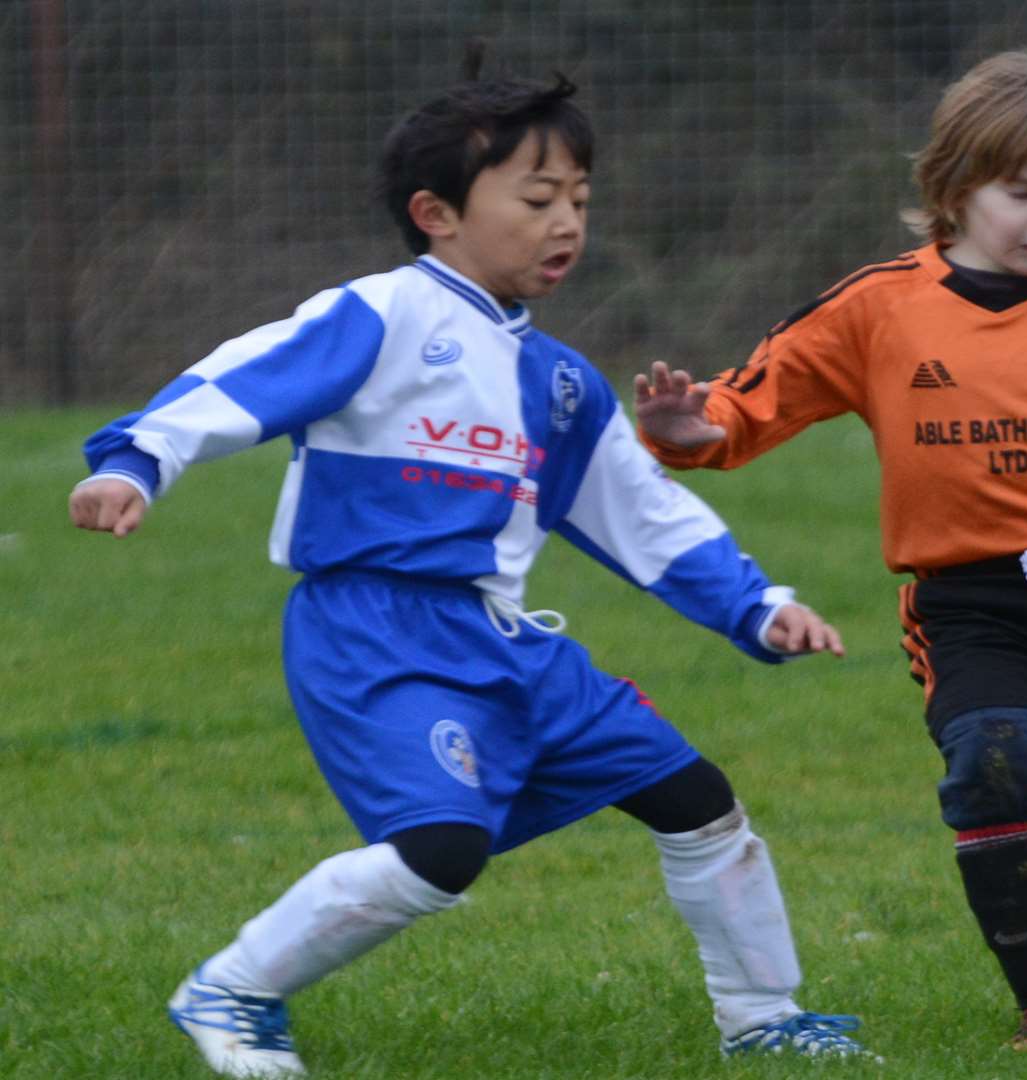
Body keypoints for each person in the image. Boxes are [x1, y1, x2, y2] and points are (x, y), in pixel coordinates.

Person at [69, 59, 873, 1078]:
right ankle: (232, 991)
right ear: (436, 212)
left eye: (580, 199)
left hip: (505, 638)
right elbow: (243, 376)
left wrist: (758, 607)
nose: (567, 222)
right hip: (375, 631)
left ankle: (764, 1018)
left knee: (695, 798)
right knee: (441, 850)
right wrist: (137, 460)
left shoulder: (562, 382)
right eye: (537, 199)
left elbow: (643, 512)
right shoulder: (383, 314)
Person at [634, 50, 1027, 1051]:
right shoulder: (878, 306)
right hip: (971, 604)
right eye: (1024, 192)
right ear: (955, 184)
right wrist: (688, 428)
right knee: (994, 769)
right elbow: (749, 406)